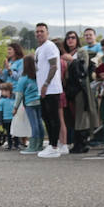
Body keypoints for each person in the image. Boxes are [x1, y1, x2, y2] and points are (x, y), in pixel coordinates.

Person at [33, 23, 65, 157]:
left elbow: (54, 66)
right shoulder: (39, 49)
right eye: (37, 32)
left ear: (47, 33)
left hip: (51, 88)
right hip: (43, 89)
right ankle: (52, 143)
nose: (39, 33)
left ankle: (54, 146)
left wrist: (46, 84)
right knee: (46, 117)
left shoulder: (50, 46)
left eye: (42, 31)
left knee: (53, 118)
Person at [14, 54, 43, 155]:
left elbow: (19, 94)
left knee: (33, 124)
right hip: (40, 102)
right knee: (39, 123)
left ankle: (33, 146)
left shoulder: (23, 78)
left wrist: (15, 107)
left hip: (29, 103)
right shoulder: (38, 75)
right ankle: (39, 145)